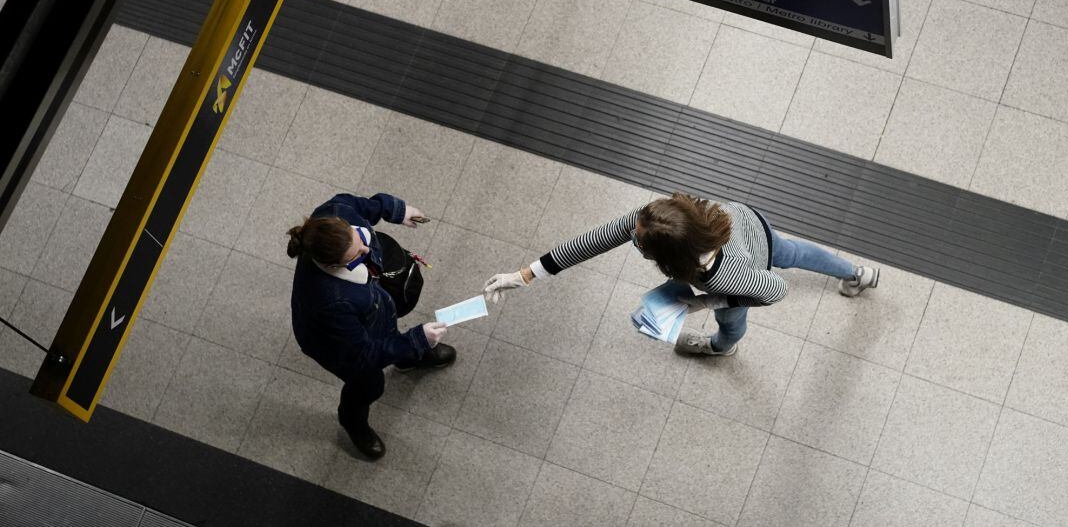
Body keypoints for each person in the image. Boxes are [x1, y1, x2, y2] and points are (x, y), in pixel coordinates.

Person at [483, 193, 878, 356]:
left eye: (640, 243)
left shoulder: (728, 276)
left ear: (673, 259)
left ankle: (722, 349)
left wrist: (701, 302)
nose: (630, 235)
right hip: (751, 223)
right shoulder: (666, 221)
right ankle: (855, 272)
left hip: (748, 265)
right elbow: (596, 239)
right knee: (793, 250)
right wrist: (527, 274)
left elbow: (776, 290)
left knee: (732, 322)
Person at [287, 192, 454, 460]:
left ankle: (406, 356)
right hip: (335, 344)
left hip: (366, 310)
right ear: (331, 265)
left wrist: (395, 211)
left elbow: (361, 205)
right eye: (356, 256)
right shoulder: (329, 303)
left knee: (385, 330)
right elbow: (363, 355)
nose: (366, 252)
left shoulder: (335, 210)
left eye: (361, 240)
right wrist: (416, 340)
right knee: (368, 383)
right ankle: (352, 421)